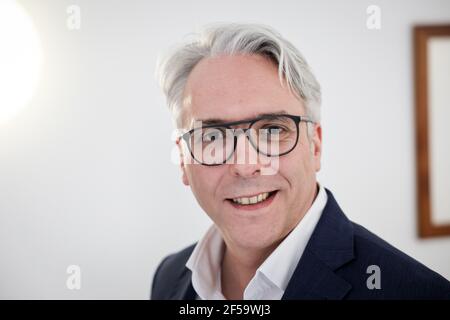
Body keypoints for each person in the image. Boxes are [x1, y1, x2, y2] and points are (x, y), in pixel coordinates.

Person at [151, 23, 450, 300]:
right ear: (183, 160)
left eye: (272, 131)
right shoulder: (168, 278)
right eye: (213, 137)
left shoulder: (417, 293)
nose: (244, 165)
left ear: (315, 145)